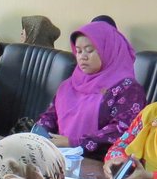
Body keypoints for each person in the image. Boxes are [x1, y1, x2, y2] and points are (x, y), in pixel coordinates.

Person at [33, 21, 145, 158]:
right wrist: (39, 134)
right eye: (79, 51)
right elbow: (51, 115)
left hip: (100, 162)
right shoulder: (69, 85)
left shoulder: (128, 89)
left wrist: (74, 142)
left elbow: (122, 130)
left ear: (108, 50)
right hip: (60, 155)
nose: (82, 56)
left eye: (89, 50)